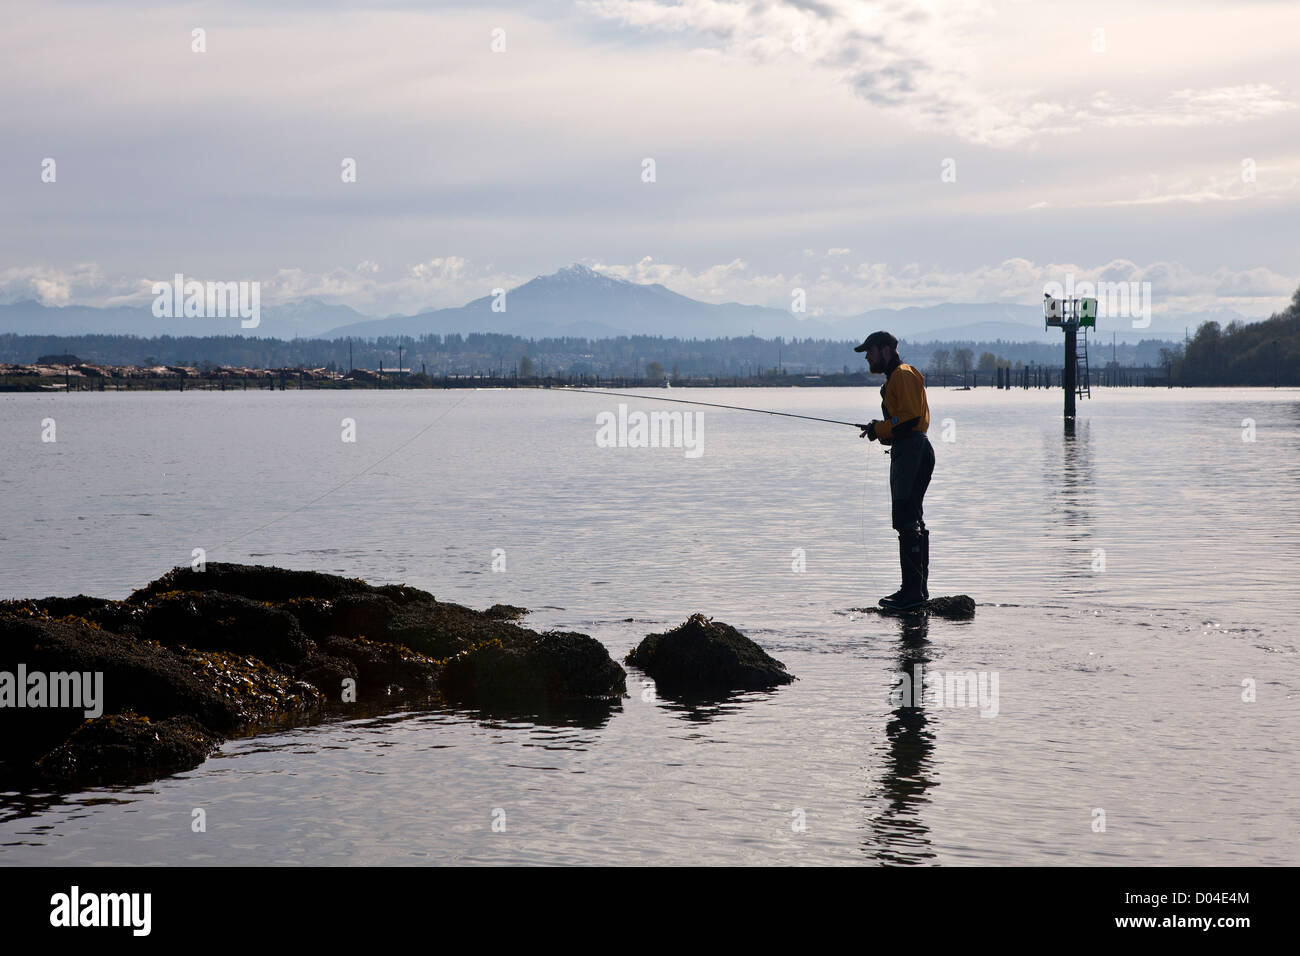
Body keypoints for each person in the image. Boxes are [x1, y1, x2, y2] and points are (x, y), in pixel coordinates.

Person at [855, 331, 934, 610]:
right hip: (910, 449)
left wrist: (881, 428)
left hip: (913, 451)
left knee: (906, 519)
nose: (867, 357)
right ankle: (916, 591)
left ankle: (912, 593)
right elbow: (898, 422)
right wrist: (879, 430)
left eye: (870, 351)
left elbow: (909, 417)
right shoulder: (895, 379)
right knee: (910, 519)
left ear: (886, 350)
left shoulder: (902, 374)